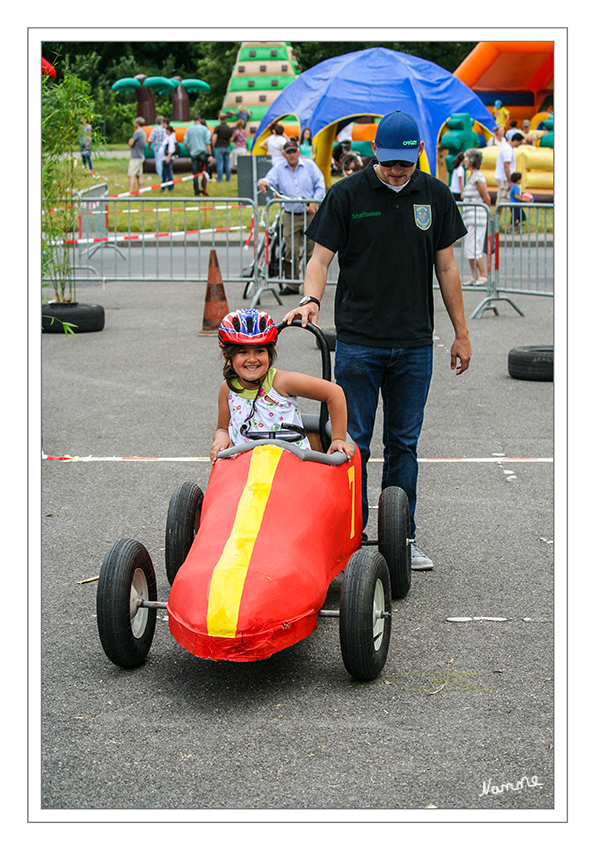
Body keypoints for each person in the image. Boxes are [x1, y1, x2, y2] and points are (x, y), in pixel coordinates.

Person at [282, 110, 472, 571]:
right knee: (354, 443)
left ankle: (401, 538)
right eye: (388, 163)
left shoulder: (436, 195)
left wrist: (461, 333)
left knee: (404, 445)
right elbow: (321, 258)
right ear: (374, 155)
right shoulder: (346, 195)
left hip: (412, 343)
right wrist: (311, 299)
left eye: (404, 164)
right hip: (359, 342)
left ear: (418, 156)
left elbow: (446, 268)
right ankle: (348, 538)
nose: (396, 171)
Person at [210, 309, 354, 464]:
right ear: (228, 357)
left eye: (259, 351)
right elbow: (222, 428)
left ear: (270, 353)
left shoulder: (281, 382)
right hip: (245, 469)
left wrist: (338, 439)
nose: (252, 359)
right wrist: (221, 435)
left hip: (291, 466)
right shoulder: (228, 388)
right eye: (243, 352)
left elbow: (334, 393)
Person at [257, 140, 326, 296]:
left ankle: (312, 287)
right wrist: (262, 182)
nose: (292, 154)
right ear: (284, 154)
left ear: (299, 152)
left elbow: (320, 183)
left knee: (312, 253)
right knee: (291, 251)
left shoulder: (309, 166)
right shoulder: (279, 168)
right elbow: (267, 180)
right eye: (289, 152)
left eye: (294, 151)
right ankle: (292, 284)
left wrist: (315, 201)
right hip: (290, 214)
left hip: (310, 214)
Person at [461, 149, 491, 284]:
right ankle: (474, 275)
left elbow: (486, 197)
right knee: (469, 247)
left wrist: (487, 212)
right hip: (469, 218)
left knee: (474, 247)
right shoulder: (471, 176)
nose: (465, 161)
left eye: (467, 159)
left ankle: (483, 274)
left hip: (477, 218)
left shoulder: (478, 177)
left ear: (472, 161)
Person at [183, 113, 211, 196]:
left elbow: (185, 142)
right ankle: (203, 186)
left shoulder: (189, 129)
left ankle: (196, 191)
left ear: (193, 120)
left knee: (195, 173)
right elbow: (207, 142)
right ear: (200, 119)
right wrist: (209, 154)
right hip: (203, 152)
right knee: (205, 170)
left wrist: (190, 150)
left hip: (194, 153)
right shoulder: (204, 129)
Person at [494, 132, 524, 208]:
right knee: (501, 200)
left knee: (507, 199)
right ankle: (495, 218)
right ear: (516, 141)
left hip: (503, 177)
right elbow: (506, 166)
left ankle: (513, 218)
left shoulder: (506, 146)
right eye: (520, 143)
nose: (520, 145)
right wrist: (510, 180)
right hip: (504, 178)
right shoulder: (508, 150)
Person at [211, 113, 233, 182]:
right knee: (227, 164)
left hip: (219, 147)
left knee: (220, 164)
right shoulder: (229, 128)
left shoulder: (218, 128)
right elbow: (231, 138)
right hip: (226, 147)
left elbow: (214, 137)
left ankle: (220, 179)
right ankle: (228, 179)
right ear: (226, 119)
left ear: (219, 119)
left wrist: (213, 145)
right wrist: (228, 143)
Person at [127, 116, 146, 193]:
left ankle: (130, 191)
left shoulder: (137, 132)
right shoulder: (143, 132)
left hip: (135, 157)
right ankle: (140, 191)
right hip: (141, 156)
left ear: (137, 124)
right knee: (139, 175)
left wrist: (130, 141)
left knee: (131, 175)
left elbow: (131, 143)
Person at [148, 115, 167, 183]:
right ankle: (166, 174)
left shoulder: (155, 129)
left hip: (157, 146)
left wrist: (149, 147)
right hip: (165, 146)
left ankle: (160, 175)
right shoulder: (165, 129)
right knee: (165, 161)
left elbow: (150, 139)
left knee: (158, 161)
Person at [161, 124, 177, 192]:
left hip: (167, 158)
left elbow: (171, 148)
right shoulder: (170, 137)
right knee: (164, 173)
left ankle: (169, 187)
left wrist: (168, 157)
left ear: (167, 130)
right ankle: (163, 186)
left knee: (168, 172)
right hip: (165, 157)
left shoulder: (170, 138)